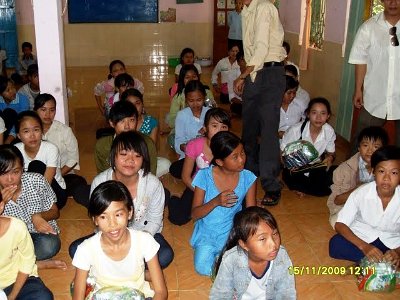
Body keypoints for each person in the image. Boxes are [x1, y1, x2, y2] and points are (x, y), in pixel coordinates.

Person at [70, 131, 173, 268]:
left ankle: (113, 270)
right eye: (124, 154)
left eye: (137, 155)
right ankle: (134, 271)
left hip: (143, 235)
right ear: (113, 156)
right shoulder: (100, 181)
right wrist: (114, 243)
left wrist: (133, 244)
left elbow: (154, 220)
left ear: (143, 160)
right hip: (110, 234)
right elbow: (98, 218)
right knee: (75, 249)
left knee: (165, 255)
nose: (130, 160)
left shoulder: (153, 184)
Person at [72, 180, 168, 300]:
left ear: (129, 213)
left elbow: (161, 292)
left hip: (137, 295)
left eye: (118, 215)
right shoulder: (86, 249)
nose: (112, 224)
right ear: (95, 219)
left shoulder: (145, 241)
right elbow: (78, 297)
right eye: (103, 216)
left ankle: (144, 275)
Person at [233, 0, 287, 206]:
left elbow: (262, 48)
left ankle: (271, 184)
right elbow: (250, 49)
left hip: (271, 73)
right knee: (249, 129)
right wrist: (247, 75)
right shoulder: (245, 11)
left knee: (268, 132)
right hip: (255, 73)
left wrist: (242, 75)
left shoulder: (265, 7)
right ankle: (249, 175)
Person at [190, 131, 256, 276]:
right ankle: (224, 268)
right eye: (235, 157)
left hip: (232, 232)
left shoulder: (248, 178)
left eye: (242, 153)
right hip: (208, 231)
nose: (242, 160)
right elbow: (194, 214)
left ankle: (226, 267)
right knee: (202, 266)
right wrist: (216, 201)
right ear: (220, 162)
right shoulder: (205, 176)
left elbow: (250, 213)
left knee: (249, 261)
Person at [329, 145, 400, 265]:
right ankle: (381, 262)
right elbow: (340, 224)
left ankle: (377, 261)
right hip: (362, 237)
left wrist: (397, 252)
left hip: (392, 243)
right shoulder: (361, 193)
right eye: (381, 171)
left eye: (394, 173)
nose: (386, 178)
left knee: (393, 255)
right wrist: (365, 247)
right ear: (373, 172)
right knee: (335, 244)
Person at [0, 145, 66, 270]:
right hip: (11, 240)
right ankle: (35, 265)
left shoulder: (36, 180)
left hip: (37, 235)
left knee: (50, 245)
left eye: (15, 172)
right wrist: (1, 204)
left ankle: (16, 264)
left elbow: (55, 212)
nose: (10, 179)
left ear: (23, 168)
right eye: (3, 173)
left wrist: (38, 216)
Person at [210, 206, 296, 299]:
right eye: (262, 238)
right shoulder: (231, 259)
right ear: (244, 244)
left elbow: (286, 292)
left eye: (274, 234)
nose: (273, 244)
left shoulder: (281, 256)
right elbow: (220, 295)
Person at [349, 0, 400, 150]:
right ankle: (350, 172)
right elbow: (360, 59)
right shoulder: (368, 27)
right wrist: (358, 89)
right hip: (374, 97)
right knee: (361, 140)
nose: (393, 2)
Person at [168, 108, 231, 225]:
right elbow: (186, 177)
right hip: (197, 186)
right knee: (178, 218)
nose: (219, 131)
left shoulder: (230, 146)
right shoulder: (194, 145)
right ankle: (173, 199)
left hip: (222, 186)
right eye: (214, 126)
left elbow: (236, 174)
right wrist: (203, 193)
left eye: (224, 127)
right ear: (205, 128)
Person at [327, 126, 388, 228]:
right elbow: (336, 201)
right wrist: (360, 189)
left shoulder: (389, 170)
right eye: (365, 145)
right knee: (336, 221)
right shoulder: (344, 169)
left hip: (376, 209)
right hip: (349, 208)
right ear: (359, 148)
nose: (370, 150)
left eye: (376, 147)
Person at [34, 93, 88, 207]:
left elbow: (73, 159)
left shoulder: (64, 131)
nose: (48, 114)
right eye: (43, 110)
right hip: (38, 175)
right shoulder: (31, 132)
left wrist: (57, 175)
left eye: (52, 110)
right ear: (35, 110)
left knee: (78, 183)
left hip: (63, 174)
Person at [281, 97, 336, 198]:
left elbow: (331, 153)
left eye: (323, 113)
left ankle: (303, 188)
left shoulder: (329, 131)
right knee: (322, 190)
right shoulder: (295, 130)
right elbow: (281, 153)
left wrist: (330, 158)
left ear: (328, 116)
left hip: (315, 167)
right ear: (308, 114)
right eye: (314, 113)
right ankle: (304, 187)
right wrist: (288, 164)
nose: (318, 118)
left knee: (334, 172)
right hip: (296, 169)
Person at [0, 198, 53, 300]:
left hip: (15, 279)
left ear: (1, 206)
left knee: (42, 297)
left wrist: (12, 296)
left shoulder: (16, 227)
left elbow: (27, 260)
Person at [14, 111, 68, 209]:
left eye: (36, 130)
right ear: (18, 135)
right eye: (26, 131)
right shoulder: (16, 150)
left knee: (36, 165)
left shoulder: (51, 148)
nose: (32, 135)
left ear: (42, 131)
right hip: (26, 195)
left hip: (54, 194)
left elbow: (47, 182)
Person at [94, 101, 157, 175]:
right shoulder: (102, 146)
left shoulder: (147, 143)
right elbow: (103, 174)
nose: (127, 126)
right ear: (111, 123)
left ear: (137, 121)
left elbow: (150, 173)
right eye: (122, 121)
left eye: (131, 120)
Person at [167, 64, 214, 139]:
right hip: (185, 129)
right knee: (173, 139)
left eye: (194, 76)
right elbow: (171, 121)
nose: (191, 80)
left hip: (204, 128)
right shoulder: (178, 97)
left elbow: (214, 113)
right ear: (182, 79)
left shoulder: (207, 93)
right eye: (187, 77)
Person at [173, 80, 211, 159]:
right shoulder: (181, 115)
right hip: (189, 157)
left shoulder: (210, 113)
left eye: (199, 100)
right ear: (186, 99)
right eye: (191, 101)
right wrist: (186, 147)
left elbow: (218, 137)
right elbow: (178, 142)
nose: (195, 104)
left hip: (208, 155)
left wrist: (208, 131)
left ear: (204, 97)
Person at [0, 75, 30, 144]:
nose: (12, 91)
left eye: (13, 87)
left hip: (19, 131)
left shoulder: (23, 99)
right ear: (1, 94)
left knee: (10, 113)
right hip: (3, 132)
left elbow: (21, 121)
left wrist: (8, 140)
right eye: (8, 90)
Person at [278, 75, 301, 139]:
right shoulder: (272, 109)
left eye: (294, 93)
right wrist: (277, 134)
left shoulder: (298, 107)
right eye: (289, 93)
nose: (292, 96)